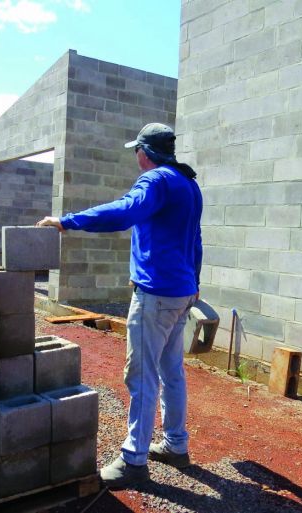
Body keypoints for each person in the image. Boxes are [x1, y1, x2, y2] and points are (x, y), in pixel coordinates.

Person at [36, 122, 203, 489]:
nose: (135, 157)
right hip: (180, 293)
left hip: (156, 295)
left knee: (142, 376)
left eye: (136, 151)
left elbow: (125, 212)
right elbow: (196, 240)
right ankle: (176, 445)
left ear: (146, 152)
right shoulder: (189, 184)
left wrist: (67, 222)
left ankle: (134, 461)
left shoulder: (156, 181)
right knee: (171, 372)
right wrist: (195, 284)